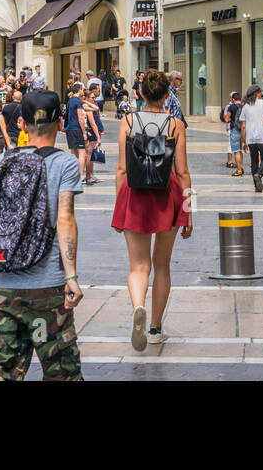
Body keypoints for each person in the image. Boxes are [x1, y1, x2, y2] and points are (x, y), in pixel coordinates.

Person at [0, 89, 84, 380]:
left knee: (0, 366)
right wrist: (71, 275)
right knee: (61, 371)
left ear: (22, 124)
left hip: (5, 283)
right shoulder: (65, 164)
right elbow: (65, 218)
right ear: (60, 124)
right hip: (48, 286)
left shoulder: (0, 162)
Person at [112, 71, 192, 349]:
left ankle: (137, 307)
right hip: (166, 196)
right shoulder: (176, 125)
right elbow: (182, 173)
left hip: (134, 195)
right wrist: (190, 210)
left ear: (141, 94)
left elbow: (121, 169)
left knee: (138, 266)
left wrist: (120, 204)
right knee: (162, 266)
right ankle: (156, 328)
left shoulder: (127, 121)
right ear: (167, 94)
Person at [239, 85, 263, 193]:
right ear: (257, 93)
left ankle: (256, 186)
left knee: (254, 161)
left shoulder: (246, 106)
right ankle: (259, 175)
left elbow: (243, 126)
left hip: (251, 138)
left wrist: (244, 141)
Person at [63, 82, 97, 185]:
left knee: (74, 153)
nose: (83, 91)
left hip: (69, 129)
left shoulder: (69, 101)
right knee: (82, 153)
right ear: (79, 90)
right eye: (82, 89)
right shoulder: (77, 102)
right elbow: (80, 118)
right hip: (77, 129)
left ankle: (74, 175)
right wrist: (84, 132)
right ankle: (81, 176)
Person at [223, 92, 244, 176]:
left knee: (236, 151)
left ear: (233, 99)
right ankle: (241, 167)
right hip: (243, 130)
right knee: (241, 150)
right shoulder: (244, 107)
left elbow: (226, 119)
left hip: (235, 129)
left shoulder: (231, 107)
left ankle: (239, 170)